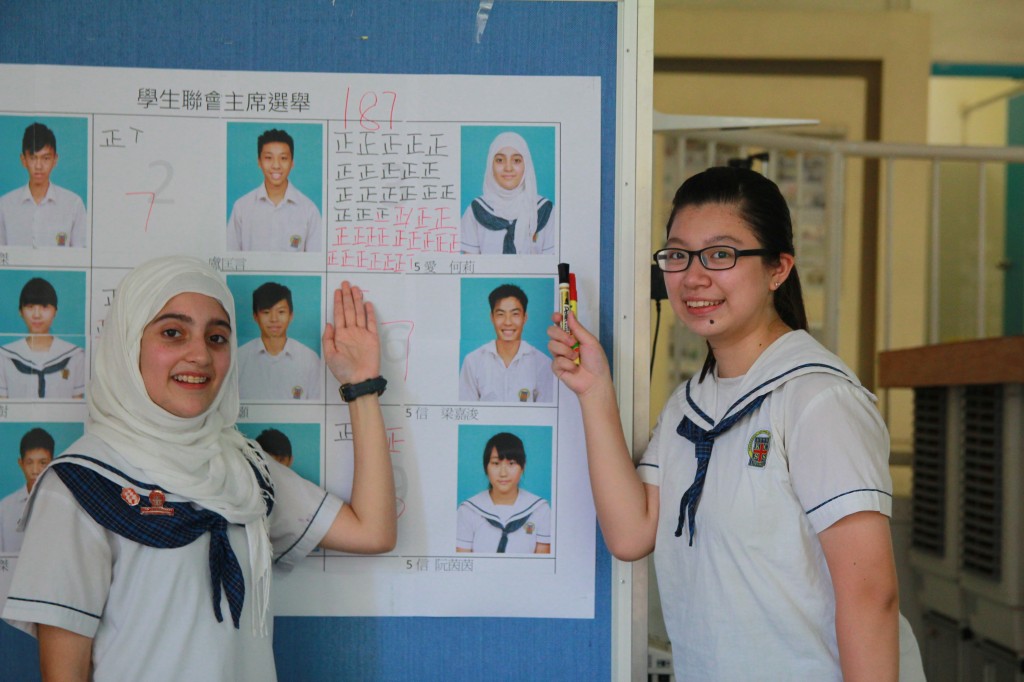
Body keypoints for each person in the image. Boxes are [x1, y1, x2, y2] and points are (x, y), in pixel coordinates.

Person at [547, 166, 924, 681]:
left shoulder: (818, 399)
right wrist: (593, 390)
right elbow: (631, 532)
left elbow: (871, 595)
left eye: (721, 254)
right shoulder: (688, 406)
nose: (693, 277)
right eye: (678, 255)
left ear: (778, 269)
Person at [2, 256, 395, 681]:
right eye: (173, 333)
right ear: (129, 342)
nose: (200, 355)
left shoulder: (242, 467)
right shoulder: (80, 483)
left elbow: (372, 531)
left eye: (217, 338)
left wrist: (361, 386)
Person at [460, 131, 555, 255]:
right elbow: (471, 264)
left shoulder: (545, 211)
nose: (508, 168)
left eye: (516, 160)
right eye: (500, 160)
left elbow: (551, 264)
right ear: (490, 165)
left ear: (526, 165)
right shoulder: (476, 211)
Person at [227, 128, 322, 253]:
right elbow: (230, 257)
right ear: (259, 162)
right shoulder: (241, 208)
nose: (276, 165)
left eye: (283, 158)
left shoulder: (309, 211)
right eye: (268, 158)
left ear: (292, 163)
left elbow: (315, 261)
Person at [456, 432, 551, 554]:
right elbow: (464, 561)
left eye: (511, 463)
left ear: (523, 467)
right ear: (486, 467)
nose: (503, 473)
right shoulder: (468, 510)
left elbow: (542, 564)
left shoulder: (540, 509)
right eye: (496, 463)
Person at [458, 283, 553, 403]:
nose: (508, 322)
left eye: (515, 314)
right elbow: (466, 409)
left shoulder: (543, 364)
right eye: (500, 314)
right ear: (492, 317)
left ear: (525, 317)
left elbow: (546, 413)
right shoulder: (473, 361)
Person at [0, 122, 87, 248]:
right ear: (23, 160)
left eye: (46, 158)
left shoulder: (74, 205)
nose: (38, 166)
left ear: (55, 159)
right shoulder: (4, 206)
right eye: (33, 158)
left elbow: (81, 257)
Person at [0, 277, 86, 399]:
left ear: (55, 311)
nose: (36, 315)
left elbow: (77, 405)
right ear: (20, 311)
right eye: (30, 307)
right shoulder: (5, 357)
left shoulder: (75, 356)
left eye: (44, 306)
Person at [237, 281, 321, 401]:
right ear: (255, 317)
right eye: (266, 312)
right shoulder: (239, 358)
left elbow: (317, 407)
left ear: (291, 315)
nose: (274, 319)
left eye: (281, 312)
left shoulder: (309, 359)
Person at [0, 427, 54, 553]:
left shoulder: (63, 504)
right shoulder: (4, 509)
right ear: (21, 463)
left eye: (42, 463)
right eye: (29, 462)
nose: (35, 471)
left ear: (52, 463)